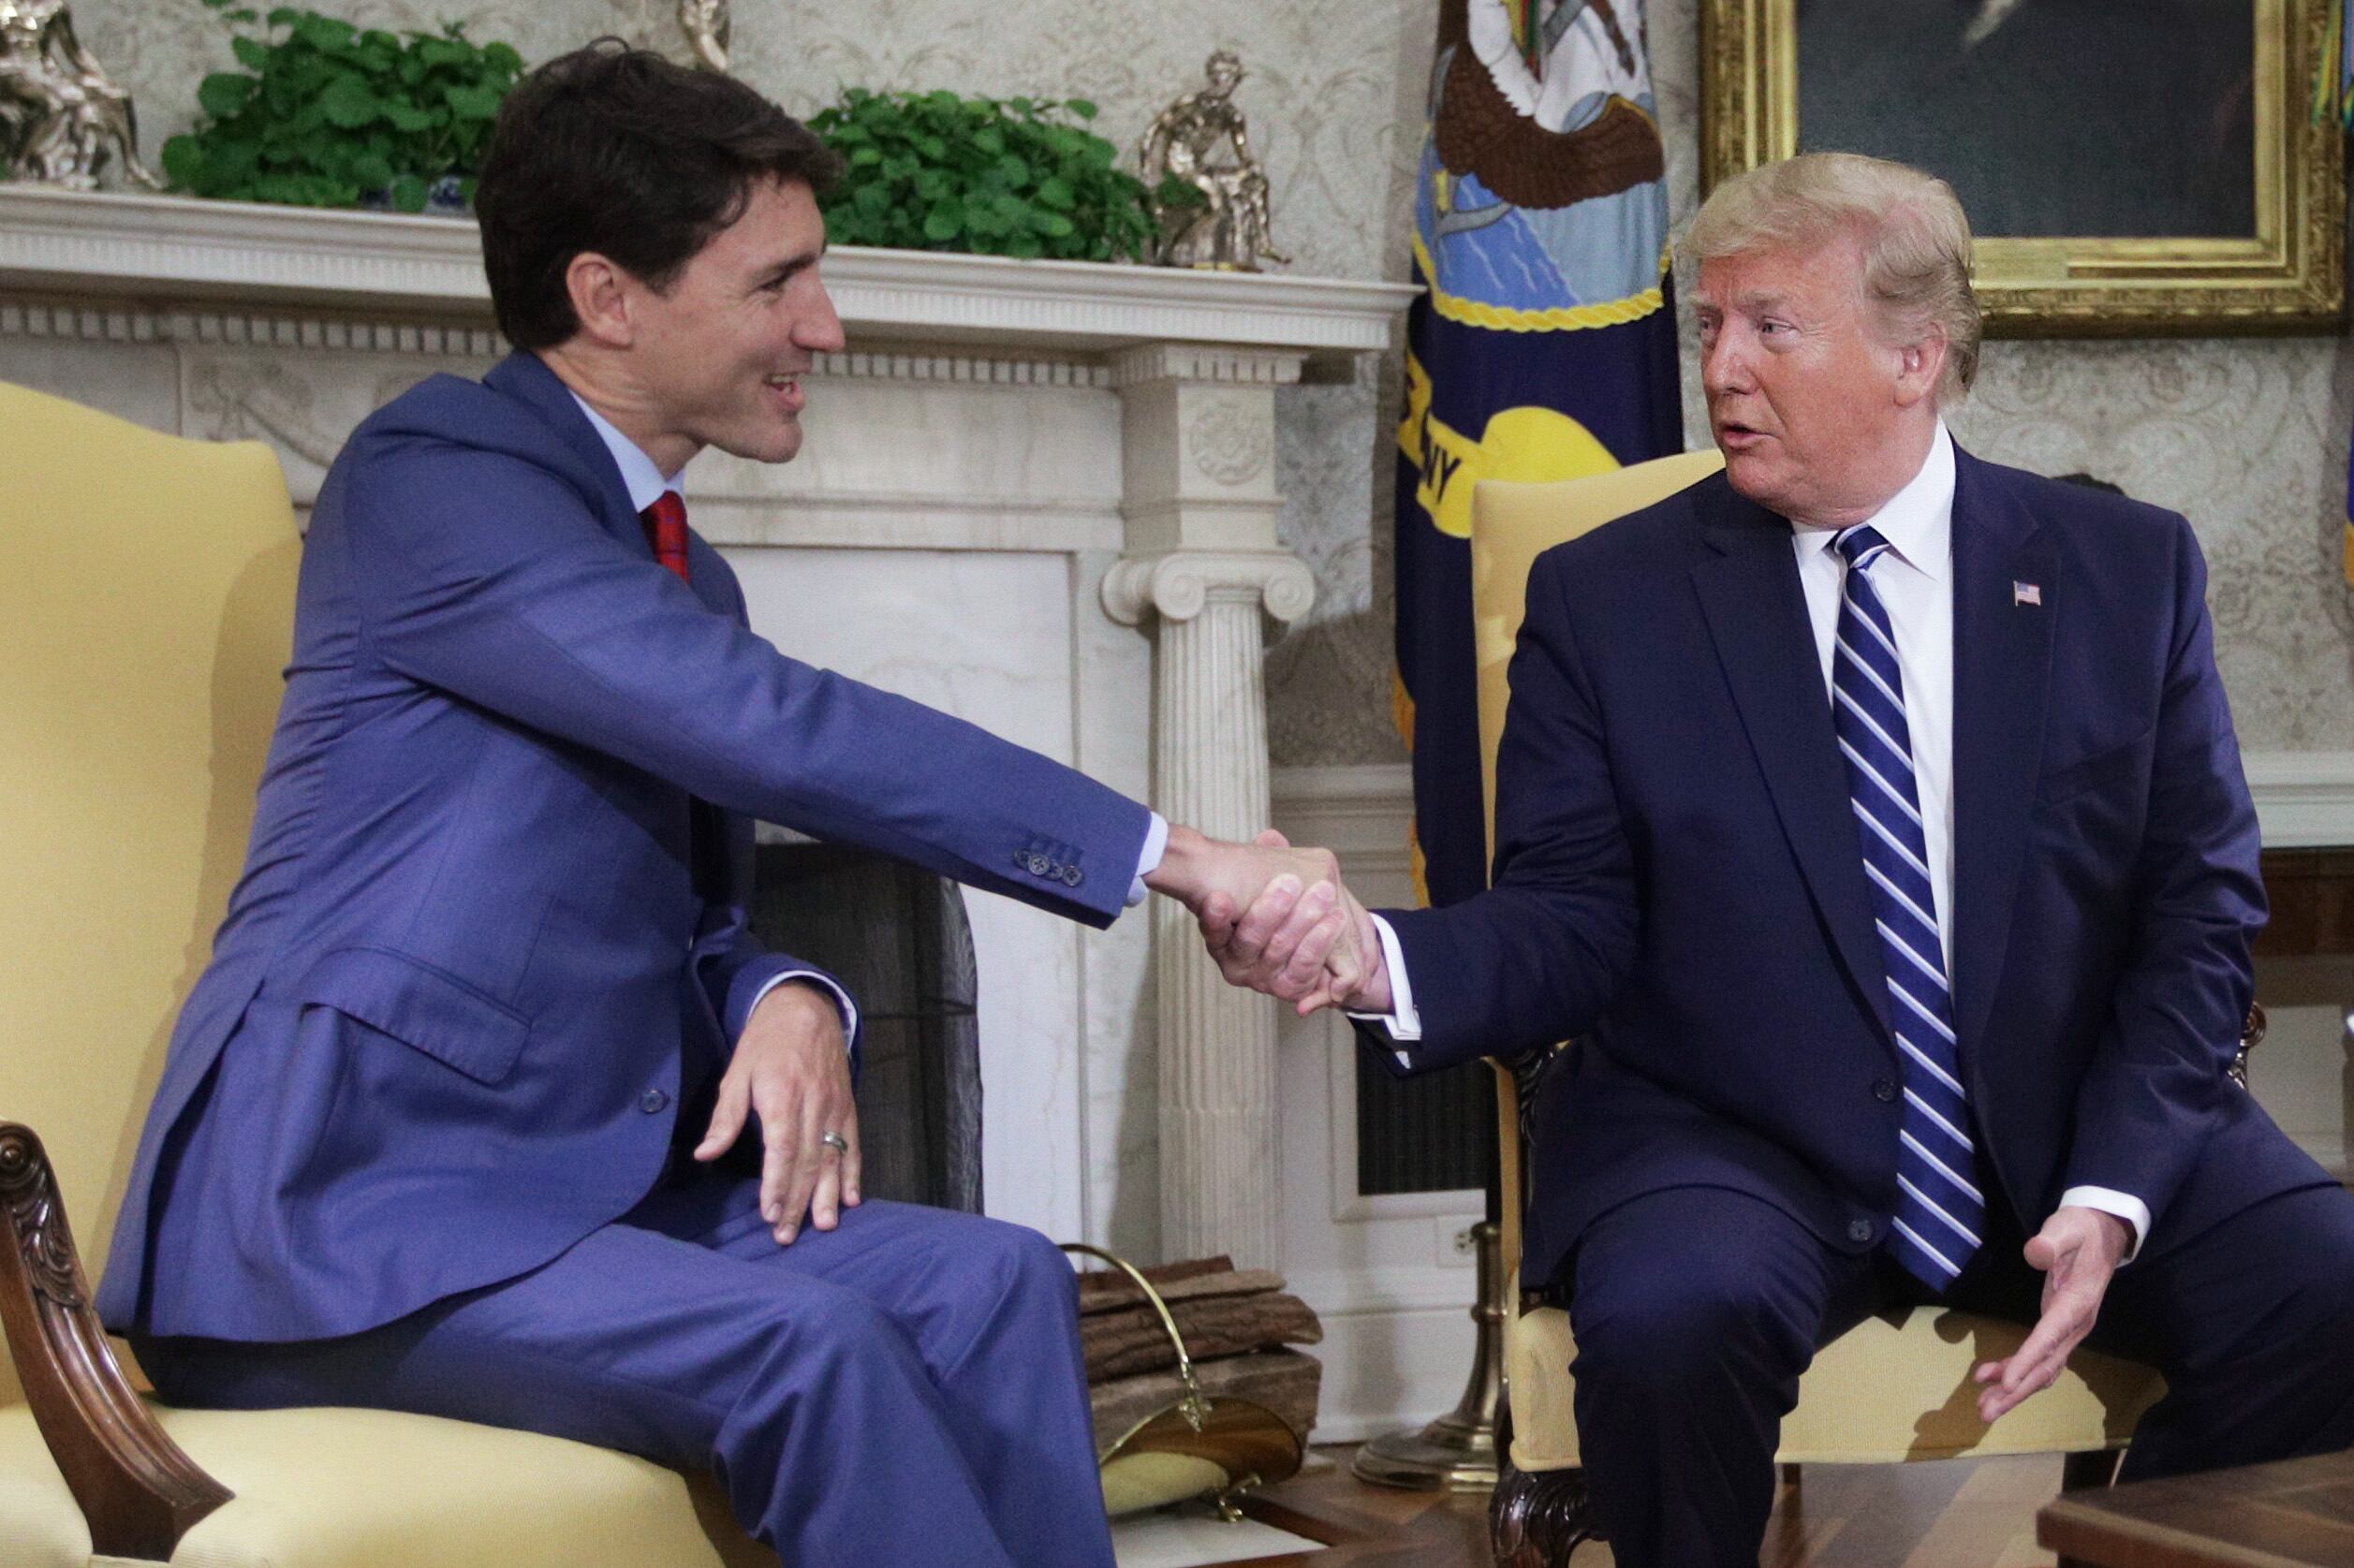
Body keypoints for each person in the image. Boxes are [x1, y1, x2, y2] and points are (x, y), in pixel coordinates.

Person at [95, 41, 1345, 1568]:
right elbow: (767, 726)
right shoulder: (432, 478)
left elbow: (692, 898)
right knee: (809, 1349)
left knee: (999, 1278)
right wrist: (1180, 856)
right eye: (775, 284)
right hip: (346, 1224)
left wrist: (793, 990)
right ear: (609, 296)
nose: (823, 323)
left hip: (565, 1197)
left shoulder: (679, 565)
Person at [1207, 152, 2354, 1567]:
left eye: (1770, 326)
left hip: (2063, 1112)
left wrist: (2112, 1189)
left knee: (2328, 1291)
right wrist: (1369, 955)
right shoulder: (1610, 596)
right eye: (1708, 327)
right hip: (1726, 1128)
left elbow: (2194, 911)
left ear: (1913, 357)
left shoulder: (2123, 570)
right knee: (1668, 1325)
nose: (1721, 369)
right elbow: (1567, 919)